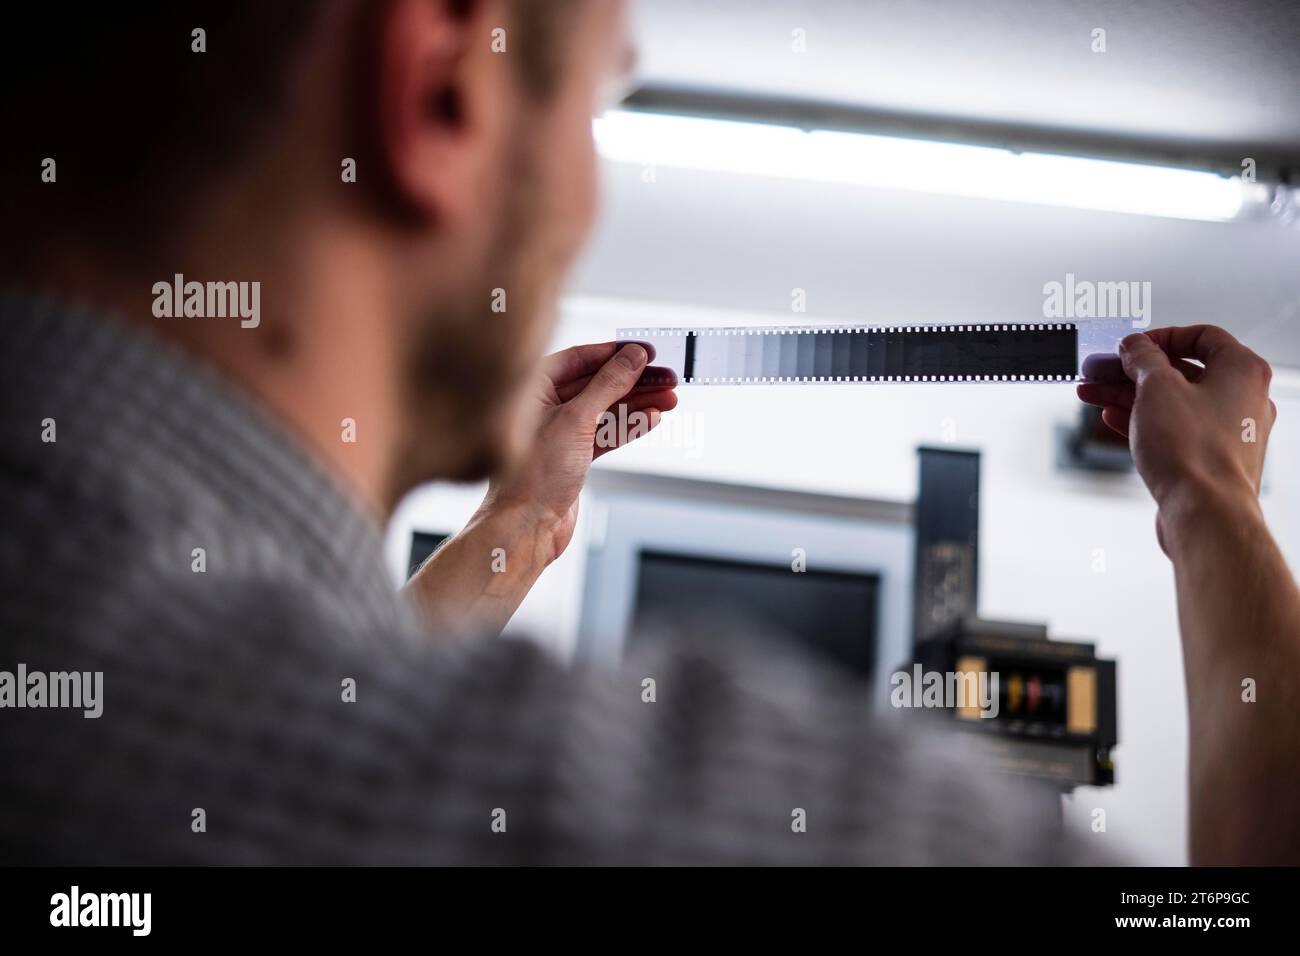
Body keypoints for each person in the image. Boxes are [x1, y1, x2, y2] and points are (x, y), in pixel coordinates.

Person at [0, 1, 1292, 865]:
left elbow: (310, 708)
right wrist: (1214, 509)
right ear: (441, 93)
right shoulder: (690, 812)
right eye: (595, 108)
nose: (590, 189)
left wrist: (518, 522)